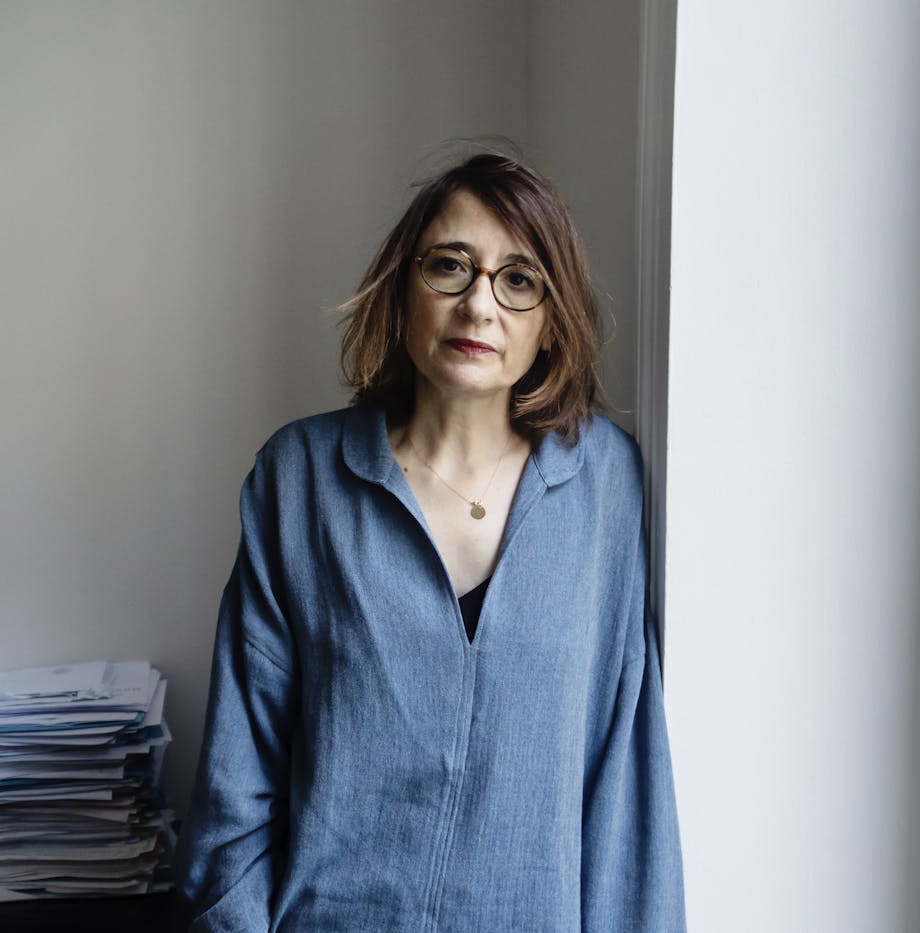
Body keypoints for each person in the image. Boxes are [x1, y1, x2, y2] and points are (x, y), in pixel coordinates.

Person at [175, 151, 685, 931]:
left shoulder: (605, 488)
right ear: (403, 290)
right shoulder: (301, 479)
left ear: (551, 323)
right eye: (451, 266)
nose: (480, 304)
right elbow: (234, 783)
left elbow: (626, 789)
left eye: (519, 280)